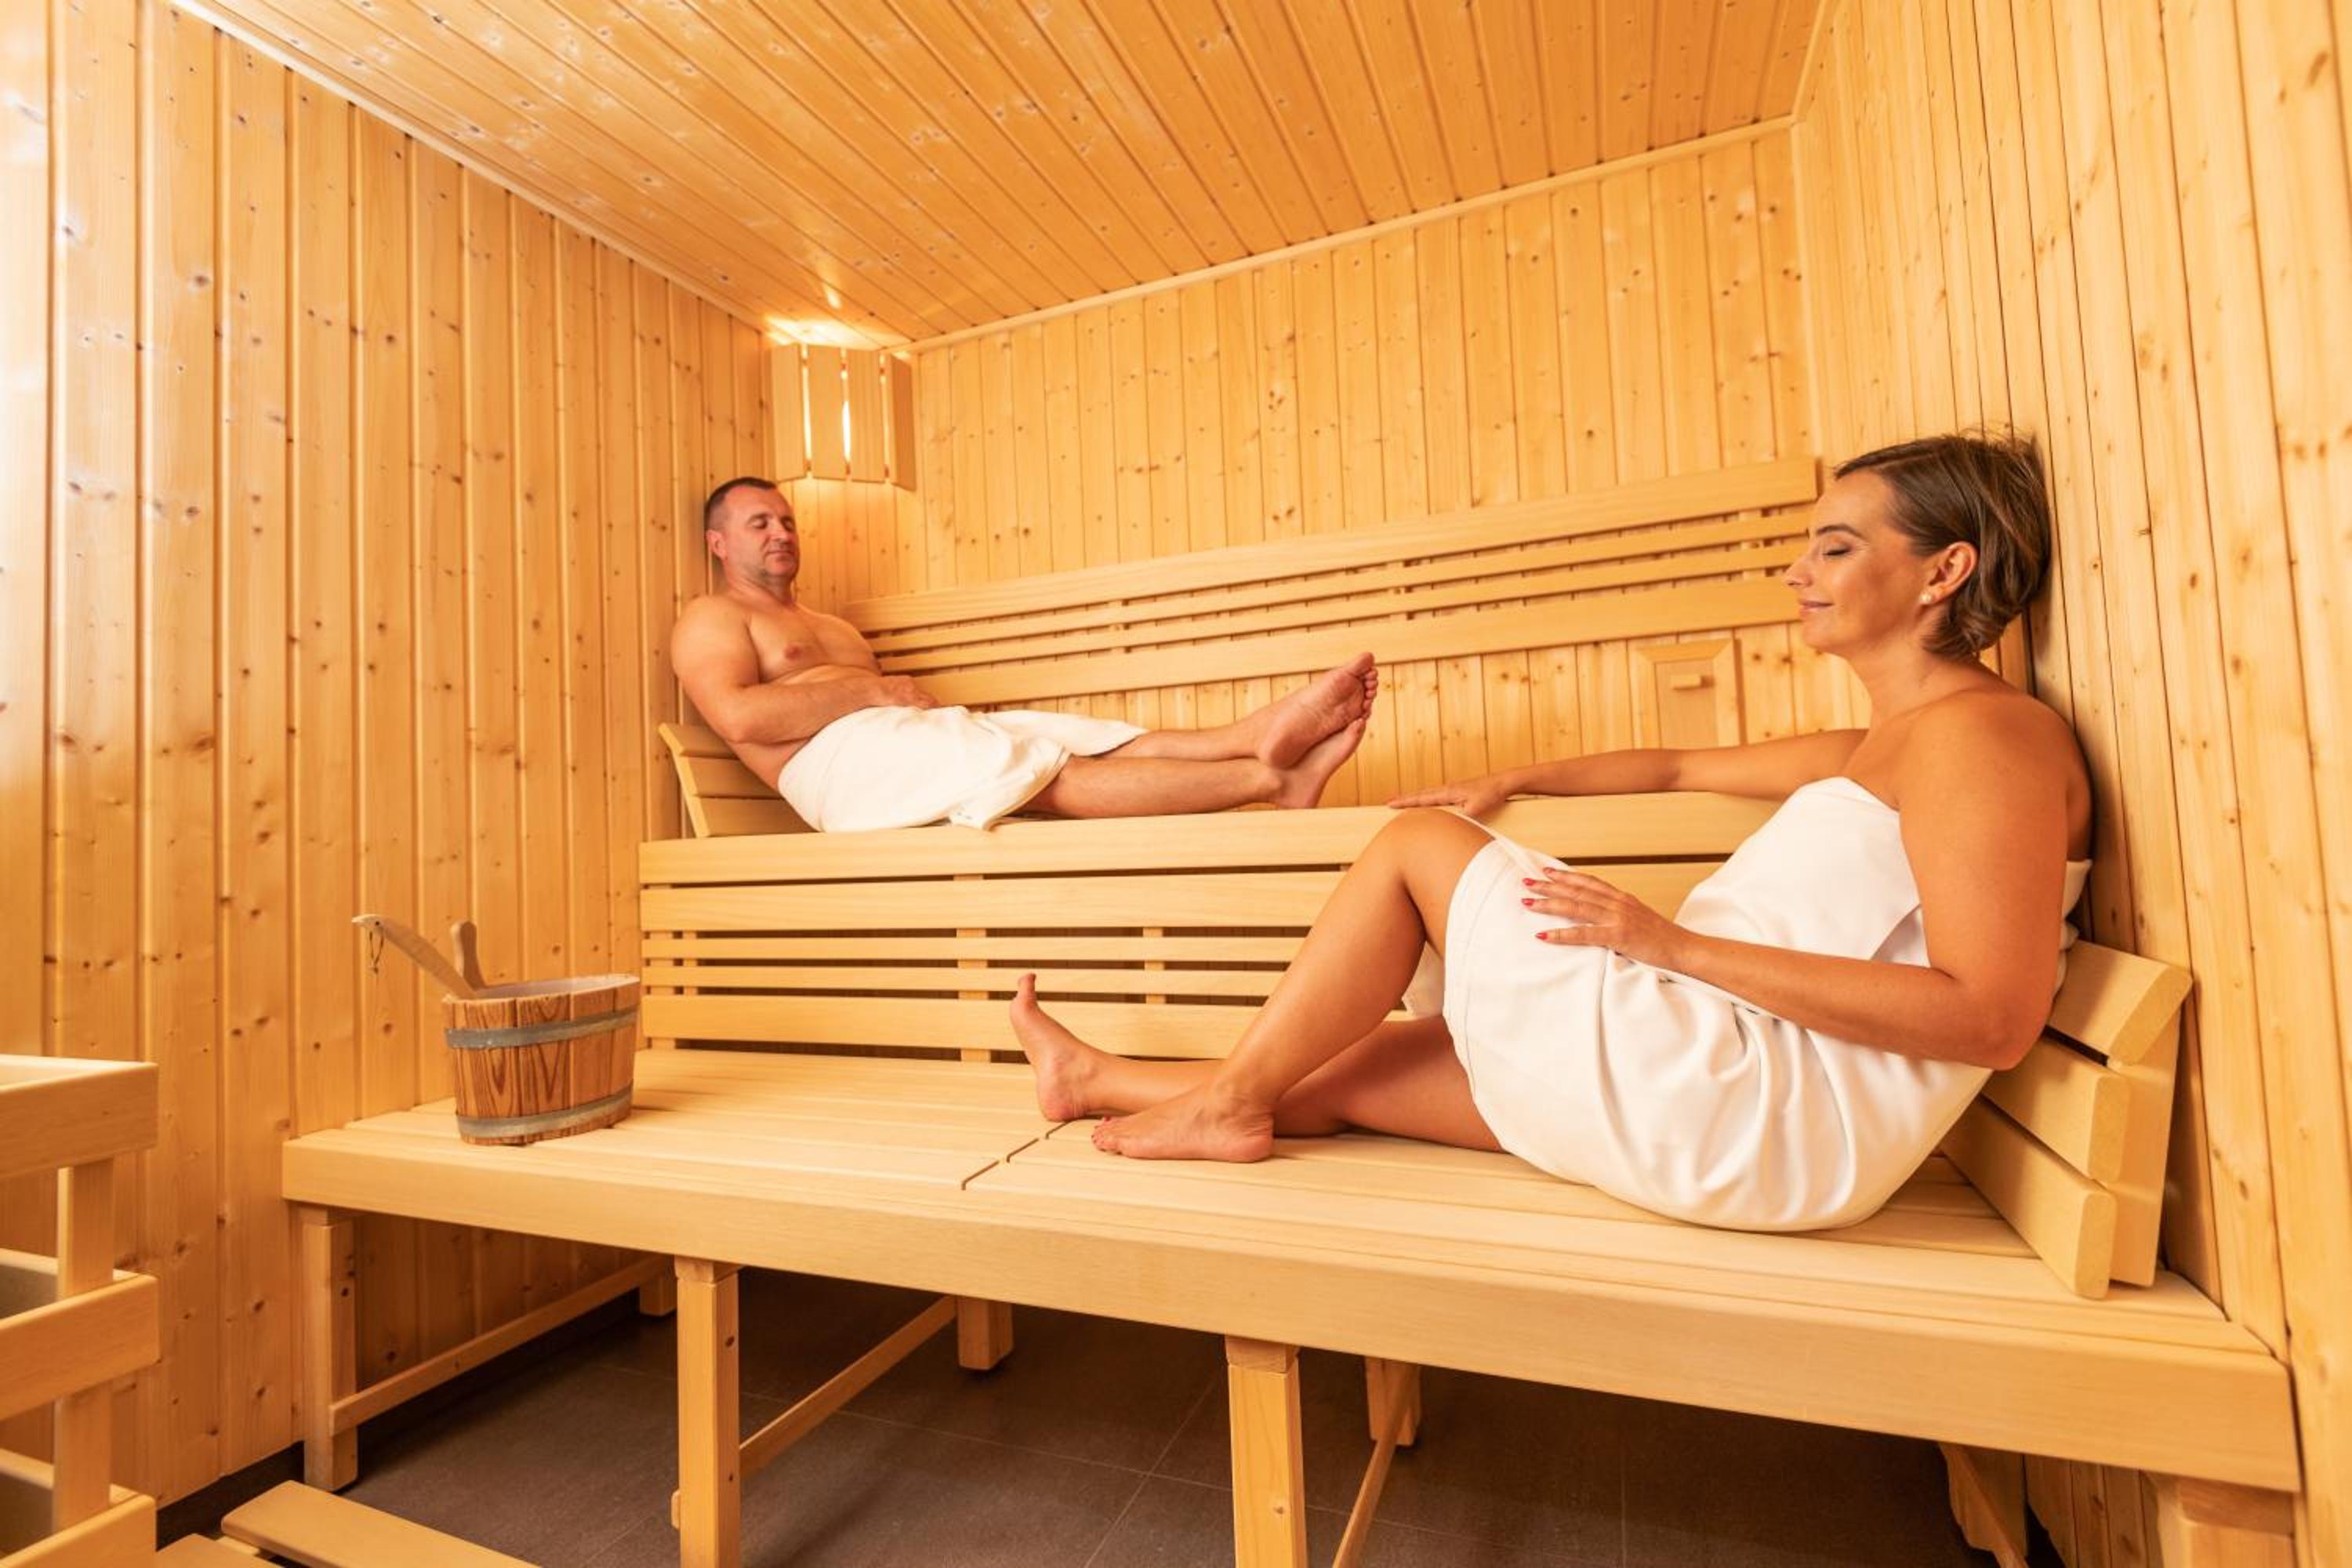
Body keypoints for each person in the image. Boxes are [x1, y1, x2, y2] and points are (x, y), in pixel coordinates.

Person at [1009, 430, 2092, 1232]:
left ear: (1943, 570)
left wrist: (1671, 946)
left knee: (1413, 851)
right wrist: (1515, 776)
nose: (1797, 573)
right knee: (1360, 1065)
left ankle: (1229, 1104)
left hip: (1755, 1107)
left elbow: (1990, 1018)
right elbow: (1674, 766)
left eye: (1836, 549)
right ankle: (1095, 1082)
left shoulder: (1983, 742)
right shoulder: (1896, 743)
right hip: (1718, 1085)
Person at [672, 477, 1374, 833]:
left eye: (788, 520)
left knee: (1075, 737)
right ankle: (1268, 780)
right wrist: (874, 692)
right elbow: (738, 717)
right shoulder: (714, 616)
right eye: (760, 523)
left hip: (902, 740)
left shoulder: (831, 626)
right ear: (719, 544)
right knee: (1032, 770)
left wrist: (886, 699)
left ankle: (1246, 737)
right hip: (833, 772)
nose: (781, 532)